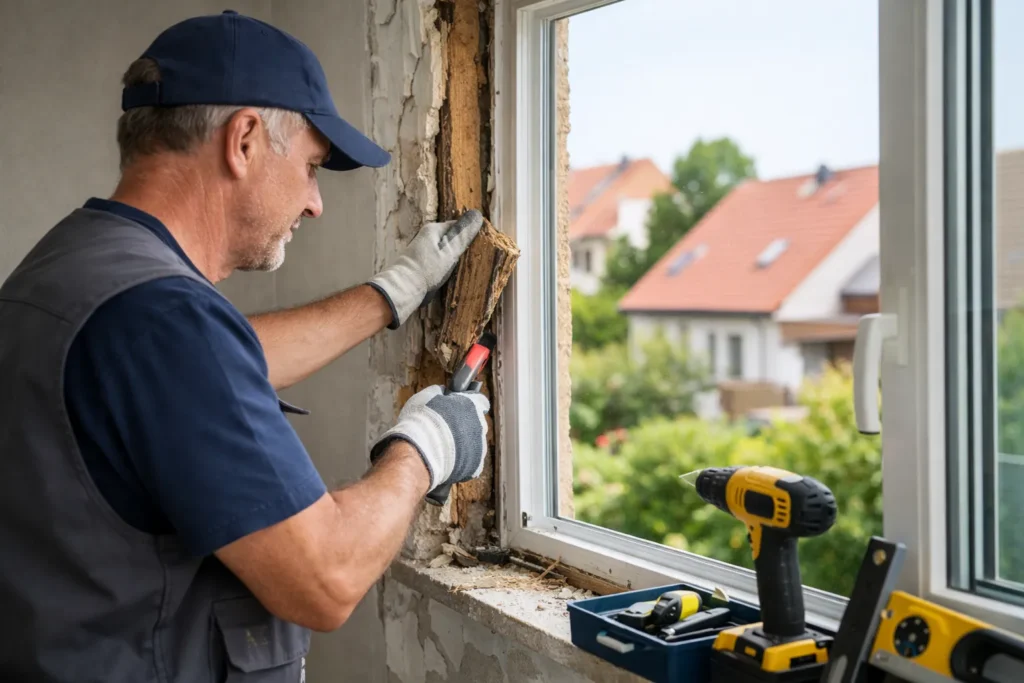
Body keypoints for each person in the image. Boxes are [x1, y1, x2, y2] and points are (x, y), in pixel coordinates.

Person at [0, 10, 490, 683]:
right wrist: (425, 449)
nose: (315, 202)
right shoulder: (165, 322)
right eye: (312, 167)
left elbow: (211, 368)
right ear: (245, 140)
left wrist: (391, 293)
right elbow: (326, 577)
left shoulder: (71, 268)